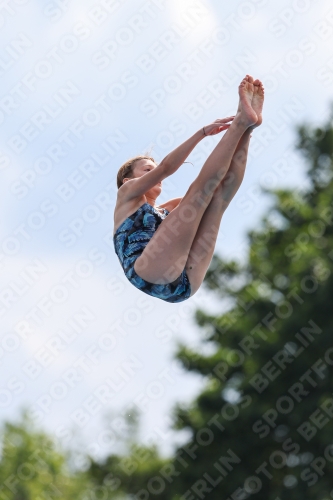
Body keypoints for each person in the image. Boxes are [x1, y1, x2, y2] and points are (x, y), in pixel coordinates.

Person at [113, 75, 264, 303]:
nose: (154, 175)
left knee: (217, 198)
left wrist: (243, 132)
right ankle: (241, 123)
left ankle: (247, 127)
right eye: (146, 170)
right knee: (200, 192)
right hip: (149, 272)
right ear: (127, 180)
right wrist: (202, 133)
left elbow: (218, 188)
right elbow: (166, 168)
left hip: (182, 285)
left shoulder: (166, 210)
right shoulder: (127, 195)